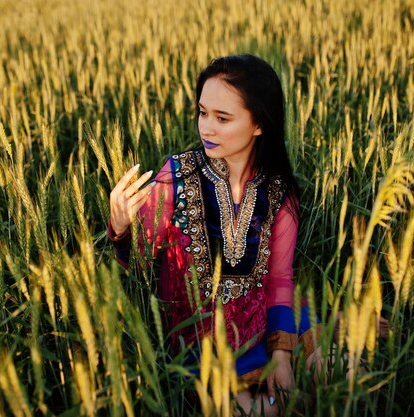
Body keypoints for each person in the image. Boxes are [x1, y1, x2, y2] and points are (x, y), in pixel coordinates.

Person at [108, 54, 321, 415]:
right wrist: (122, 227)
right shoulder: (175, 177)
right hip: (201, 340)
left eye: (222, 118)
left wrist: (282, 356)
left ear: (258, 124)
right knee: (265, 411)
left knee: (344, 371)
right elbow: (140, 264)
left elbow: (280, 280)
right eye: (203, 112)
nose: (206, 128)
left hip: (269, 318)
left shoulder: (279, 193)